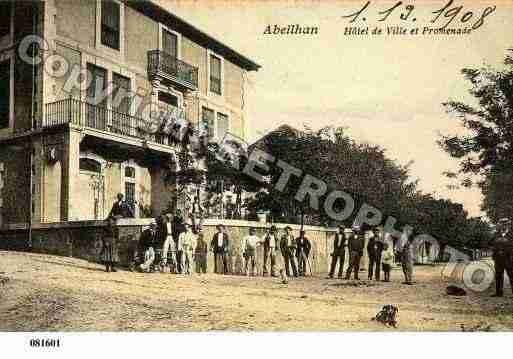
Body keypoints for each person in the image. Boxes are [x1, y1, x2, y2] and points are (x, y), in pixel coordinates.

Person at [491, 217, 513, 297]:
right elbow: (490, 243)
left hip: (509, 258)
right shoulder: (496, 234)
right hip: (498, 259)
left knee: (511, 275)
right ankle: (498, 293)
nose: (504, 226)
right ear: (499, 225)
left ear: (508, 225)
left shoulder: (511, 234)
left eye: (506, 224)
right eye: (502, 224)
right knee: (498, 275)